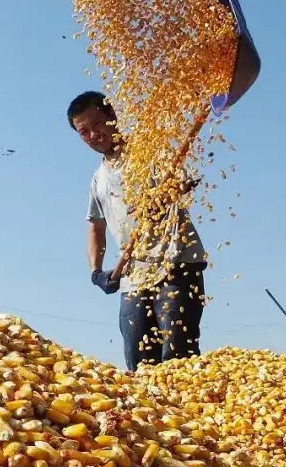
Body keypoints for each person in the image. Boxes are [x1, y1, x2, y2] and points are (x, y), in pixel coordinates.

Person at [68, 90, 209, 371]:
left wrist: (160, 198)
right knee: (138, 362)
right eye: (84, 132)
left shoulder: (150, 151)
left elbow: (184, 182)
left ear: (112, 115)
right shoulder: (98, 180)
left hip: (175, 264)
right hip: (133, 276)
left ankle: (185, 411)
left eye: (97, 125)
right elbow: (96, 226)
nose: (94, 135)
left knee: (177, 356)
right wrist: (96, 271)